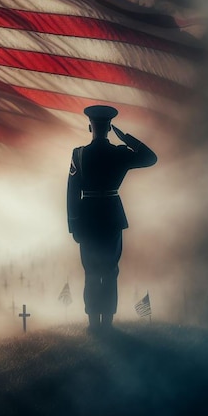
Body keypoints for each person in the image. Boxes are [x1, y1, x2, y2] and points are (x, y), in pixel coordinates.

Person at [67, 105, 157, 331]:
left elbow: (71, 192)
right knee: (109, 270)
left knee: (90, 270)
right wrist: (126, 137)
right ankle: (107, 319)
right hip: (111, 217)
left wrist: (73, 224)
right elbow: (150, 158)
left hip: (87, 218)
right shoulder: (119, 152)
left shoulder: (79, 154)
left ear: (90, 127)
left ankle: (92, 321)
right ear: (109, 127)